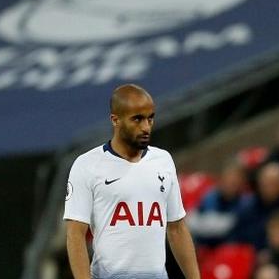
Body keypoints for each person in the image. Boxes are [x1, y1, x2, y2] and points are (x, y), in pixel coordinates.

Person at [64, 84, 200, 279]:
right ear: (115, 120)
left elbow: (177, 228)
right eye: (137, 119)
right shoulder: (87, 165)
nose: (146, 127)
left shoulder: (163, 161)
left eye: (150, 118)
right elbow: (75, 235)